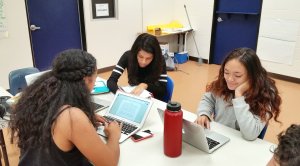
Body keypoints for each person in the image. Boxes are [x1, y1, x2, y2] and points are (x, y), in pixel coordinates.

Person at [9, 49, 121, 166]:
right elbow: (109, 163)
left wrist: (86, 117)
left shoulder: (37, 99)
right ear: (86, 80)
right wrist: (114, 135)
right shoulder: (71, 116)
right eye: (94, 79)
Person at [195, 47, 281, 140]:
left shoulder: (266, 94)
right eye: (226, 72)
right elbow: (209, 99)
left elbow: (250, 134)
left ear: (252, 76)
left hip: (242, 144)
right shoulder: (223, 83)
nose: (230, 79)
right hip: (219, 136)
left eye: (237, 75)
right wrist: (204, 114)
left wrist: (239, 95)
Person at [107, 33, 167, 101]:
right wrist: (119, 93)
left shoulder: (159, 60)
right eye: (140, 57)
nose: (143, 61)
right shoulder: (128, 56)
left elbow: (162, 90)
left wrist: (145, 85)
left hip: (152, 99)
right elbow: (111, 81)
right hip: (133, 97)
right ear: (135, 52)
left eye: (148, 58)